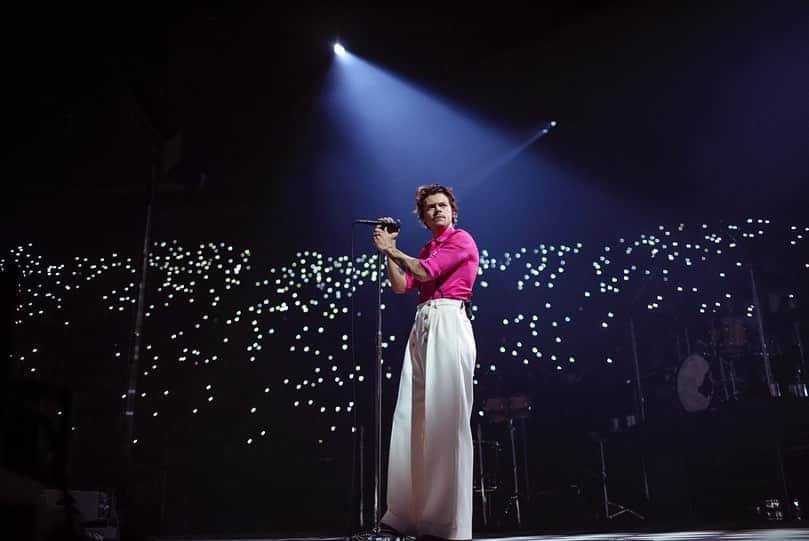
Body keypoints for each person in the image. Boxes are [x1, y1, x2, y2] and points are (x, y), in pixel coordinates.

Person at [372, 184, 479, 541]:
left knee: (444, 422)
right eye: (430, 207)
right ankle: (405, 516)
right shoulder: (427, 247)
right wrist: (388, 252)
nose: (438, 211)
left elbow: (425, 273)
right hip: (423, 324)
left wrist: (393, 249)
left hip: (448, 320)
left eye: (443, 205)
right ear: (422, 216)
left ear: (453, 210)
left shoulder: (461, 240)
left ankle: (443, 522)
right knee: (412, 418)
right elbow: (402, 285)